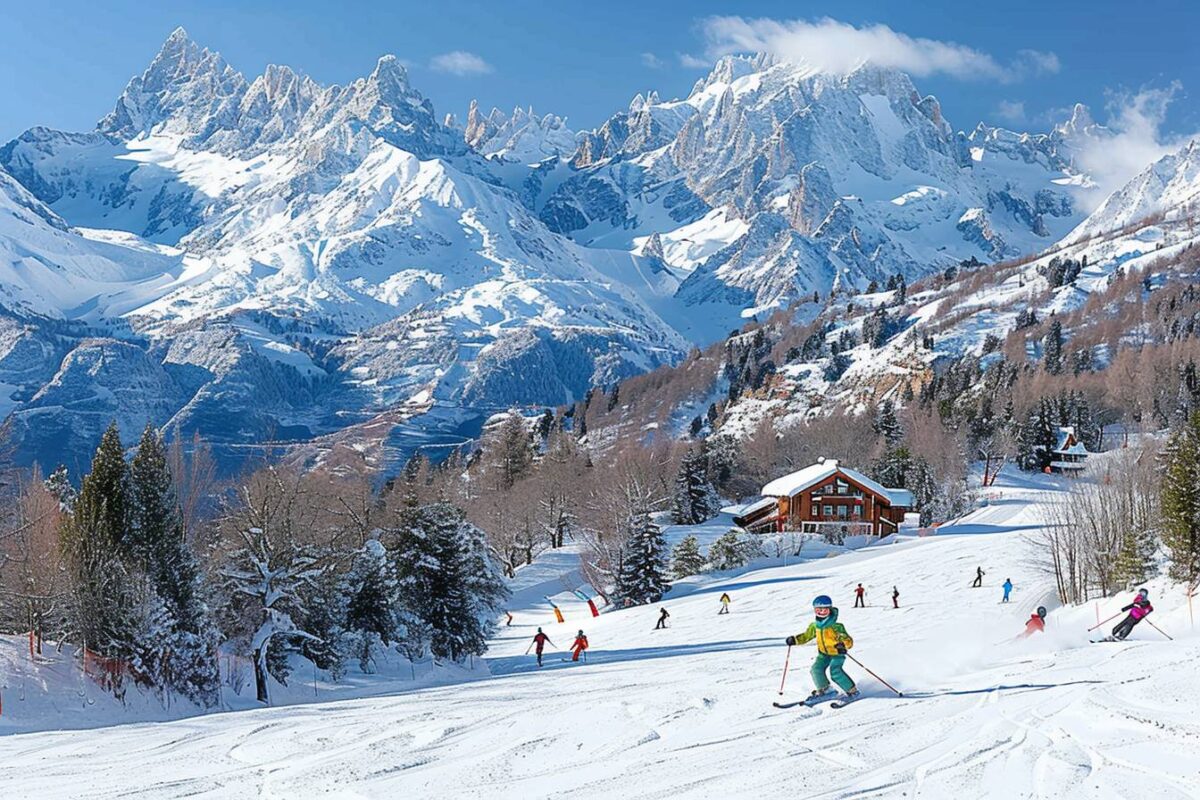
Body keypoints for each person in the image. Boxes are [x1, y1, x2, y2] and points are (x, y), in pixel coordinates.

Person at [785, 595, 858, 702]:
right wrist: (795, 640)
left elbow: (848, 640)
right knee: (816, 669)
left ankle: (852, 691)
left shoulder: (836, 626)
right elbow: (806, 636)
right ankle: (826, 689)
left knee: (835, 672)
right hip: (823, 654)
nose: (821, 612)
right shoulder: (815, 626)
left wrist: (843, 645)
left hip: (837, 654)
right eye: (818, 609)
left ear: (830, 609)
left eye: (824, 609)